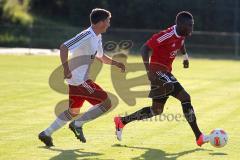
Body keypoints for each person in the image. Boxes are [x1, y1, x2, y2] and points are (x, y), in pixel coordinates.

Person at [114, 11, 209, 147]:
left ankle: (121, 121)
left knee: (156, 110)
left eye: (192, 25)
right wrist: (148, 72)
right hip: (157, 72)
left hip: (165, 72)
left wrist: (185, 56)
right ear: (180, 24)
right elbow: (144, 49)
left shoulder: (182, 33)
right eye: (189, 26)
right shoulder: (166, 35)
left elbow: (181, 43)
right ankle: (199, 136)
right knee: (185, 97)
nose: (191, 29)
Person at [39, 8, 125, 147]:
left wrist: (116, 63)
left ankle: (46, 133)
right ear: (101, 22)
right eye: (108, 21)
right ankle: (77, 125)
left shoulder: (97, 36)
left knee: (73, 111)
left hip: (78, 79)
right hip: (79, 80)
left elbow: (101, 57)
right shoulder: (86, 34)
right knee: (106, 103)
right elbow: (64, 47)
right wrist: (66, 69)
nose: (109, 24)